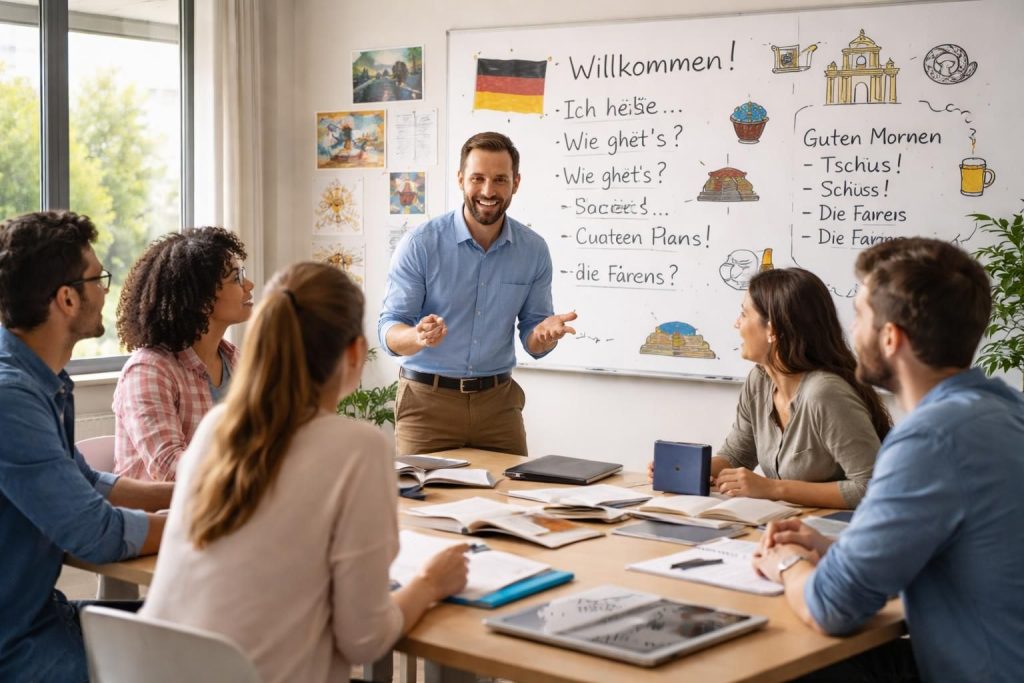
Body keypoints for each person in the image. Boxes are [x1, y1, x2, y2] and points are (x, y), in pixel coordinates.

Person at [142, 262, 469, 683]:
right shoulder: (357, 448)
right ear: (354, 353)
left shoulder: (215, 430)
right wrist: (429, 583)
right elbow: (365, 639)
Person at [753, 238, 1024, 682]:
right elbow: (954, 548)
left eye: (859, 315)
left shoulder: (930, 440)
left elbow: (830, 608)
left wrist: (784, 561)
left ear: (890, 338)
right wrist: (832, 549)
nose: (850, 332)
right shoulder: (1006, 410)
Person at [0, 210, 172, 682]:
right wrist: (207, 520)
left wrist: (186, 493)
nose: (106, 289)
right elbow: (94, 533)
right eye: (99, 278)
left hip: (40, 616)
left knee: (204, 633)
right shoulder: (10, 396)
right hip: (14, 644)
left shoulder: (43, 380)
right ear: (68, 299)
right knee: (201, 656)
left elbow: (86, 481)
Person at [378, 131, 577, 456]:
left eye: (500, 179)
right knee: (421, 502)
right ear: (460, 179)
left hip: (498, 405)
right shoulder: (421, 245)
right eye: (478, 178)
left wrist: (543, 337)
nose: (488, 191)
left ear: (516, 182)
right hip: (428, 404)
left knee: (513, 502)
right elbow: (388, 329)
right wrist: (418, 336)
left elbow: (533, 332)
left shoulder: (534, 250)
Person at [651, 268, 890, 508]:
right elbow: (736, 456)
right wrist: (685, 469)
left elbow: (872, 488)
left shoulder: (825, 393)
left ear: (772, 329)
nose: (736, 324)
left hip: (839, 533)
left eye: (744, 314)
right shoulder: (759, 381)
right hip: (787, 526)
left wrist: (773, 489)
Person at [112, 227, 253, 481]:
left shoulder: (237, 361)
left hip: (229, 509)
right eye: (237, 278)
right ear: (202, 300)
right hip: (163, 517)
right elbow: (170, 470)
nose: (249, 285)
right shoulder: (149, 371)